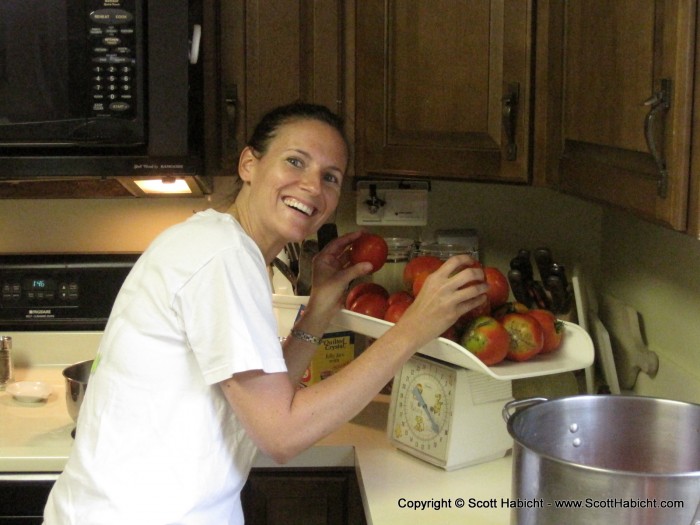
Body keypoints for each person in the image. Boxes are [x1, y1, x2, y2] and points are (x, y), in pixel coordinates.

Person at [43, 102, 488, 524]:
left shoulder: (225, 247)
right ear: (249, 165)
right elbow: (282, 434)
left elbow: (270, 403)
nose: (314, 186)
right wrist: (412, 330)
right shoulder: (221, 256)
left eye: (331, 176)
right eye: (295, 161)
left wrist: (316, 313)